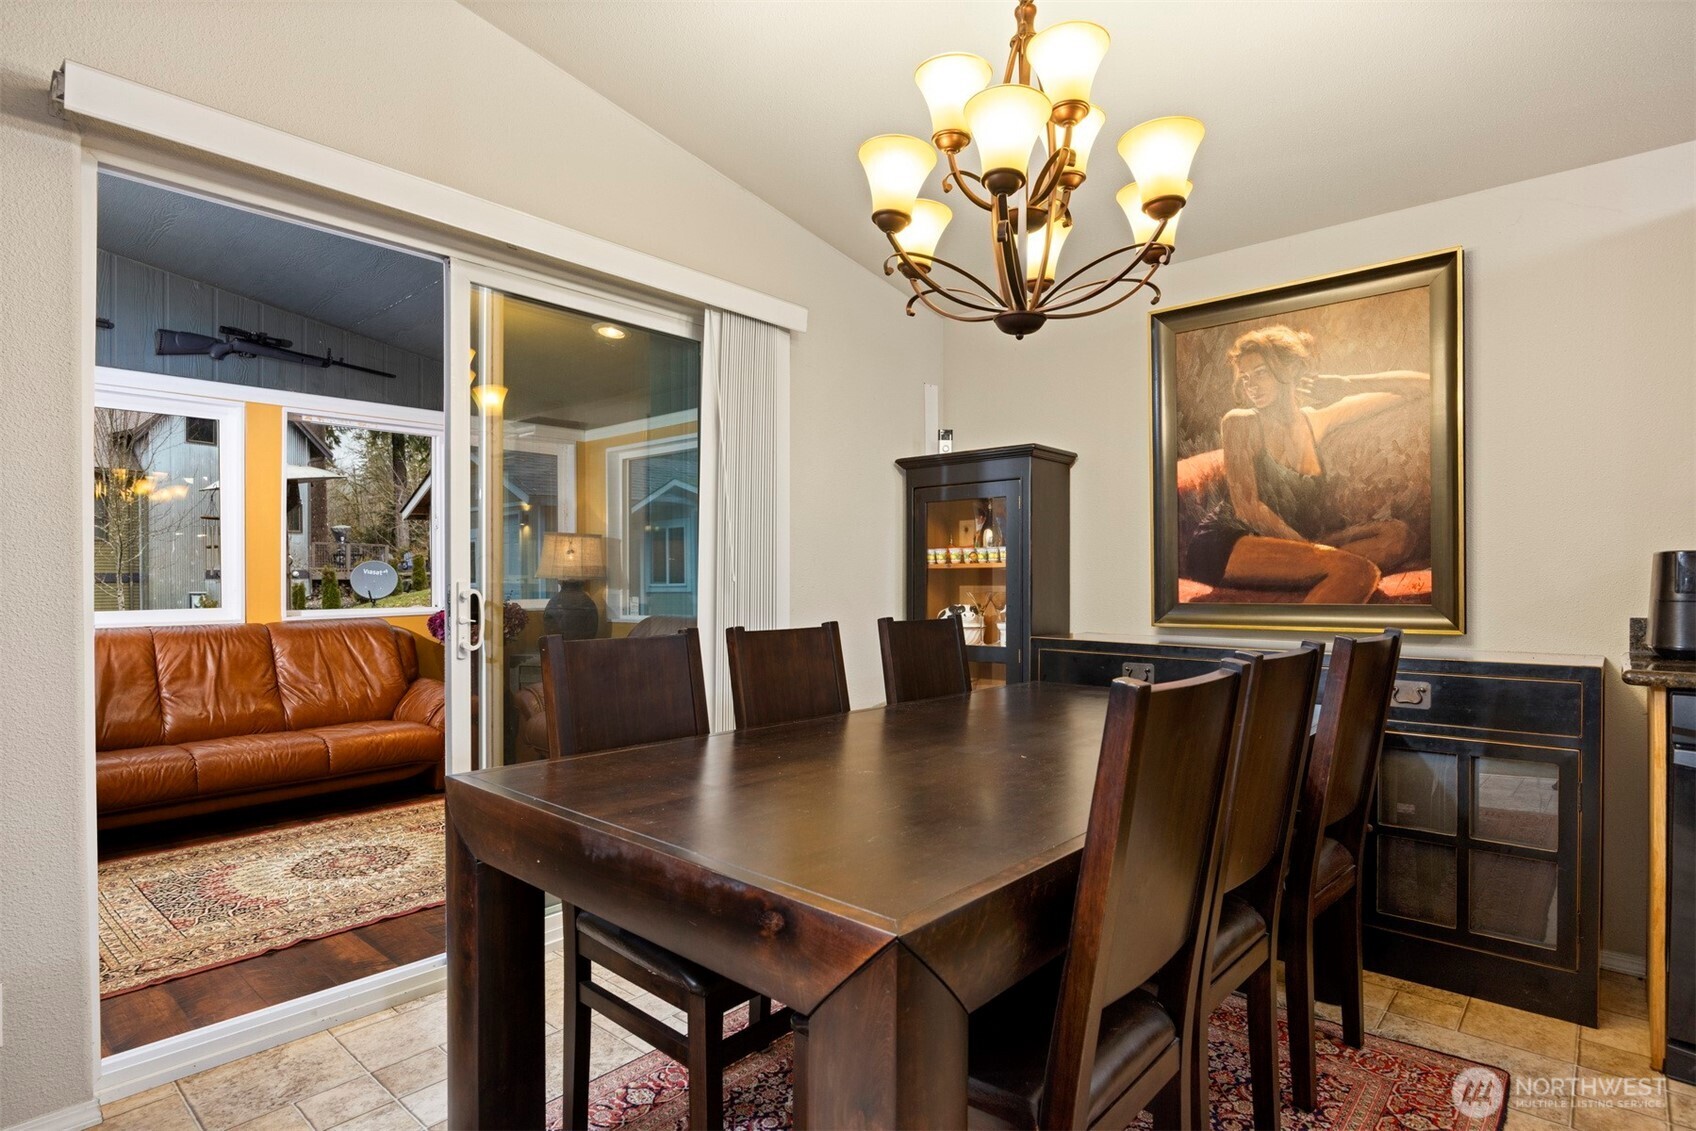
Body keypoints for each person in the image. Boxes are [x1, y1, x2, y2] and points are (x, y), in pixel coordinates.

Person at [1185, 325, 1429, 603]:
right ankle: (1300, 635)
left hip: (1297, 541)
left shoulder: (1317, 420)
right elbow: (1249, 508)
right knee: (1358, 571)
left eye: (1261, 373)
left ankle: (1313, 577)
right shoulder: (1241, 422)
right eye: (1245, 378)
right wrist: (1314, 551)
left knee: (1398, 536)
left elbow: (1425, 384)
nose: (1251, 385)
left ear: (1289, 371)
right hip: (1229, 544)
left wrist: (1347, 384)